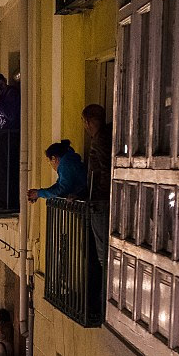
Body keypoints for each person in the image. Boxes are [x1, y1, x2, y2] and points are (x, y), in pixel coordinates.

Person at [82, 104, 112, 269]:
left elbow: (106, 169)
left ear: (88, 121)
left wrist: (99, 194)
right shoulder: (106, 136)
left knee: (103, 256)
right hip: (101, 200)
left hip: (100, 202)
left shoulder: (100, 140)